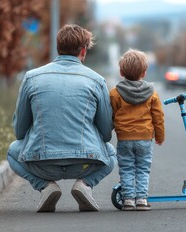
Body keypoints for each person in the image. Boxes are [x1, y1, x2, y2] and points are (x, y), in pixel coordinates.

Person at [7, 24, 116, 212]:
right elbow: (106, 133)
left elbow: (19, 131)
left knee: (12, 151)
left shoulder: (31, 77)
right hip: (84, 163)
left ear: (58, 48)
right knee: (111, 153)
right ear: (83, 50)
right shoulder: (97, 80)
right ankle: (85, 184)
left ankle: (45, 186)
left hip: (42, 163)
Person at [109, 49, 165, 211]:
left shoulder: (115, 93)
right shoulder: (152, 93)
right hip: (145, 138)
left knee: (126, 169)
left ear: (121, 72)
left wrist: (107, 133)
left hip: (124, 139)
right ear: (144, 73)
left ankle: (128, 200)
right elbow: (158, 117)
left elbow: (110, 116)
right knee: (142, 169)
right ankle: (141, 199)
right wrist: (159, 136)